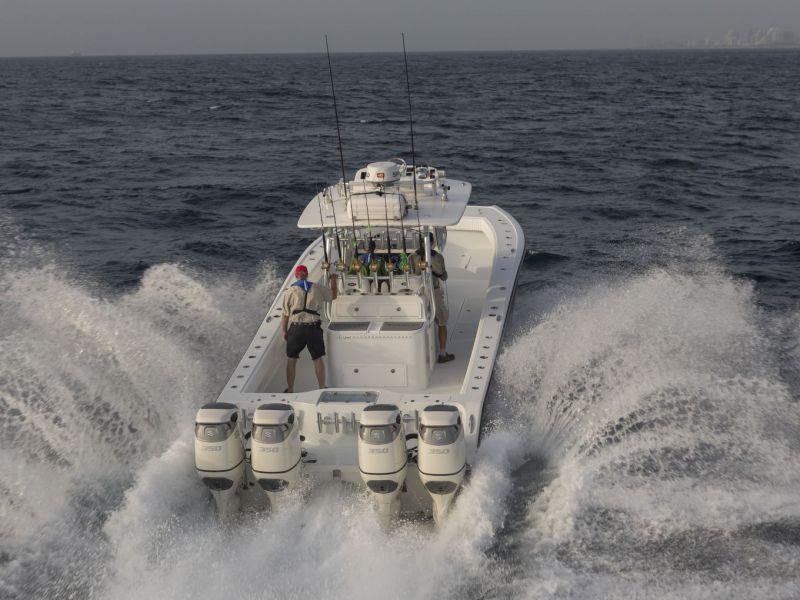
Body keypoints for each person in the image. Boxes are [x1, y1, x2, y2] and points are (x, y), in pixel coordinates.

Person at [281, 265, 338, 392]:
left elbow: (285, 314)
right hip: (313, 328)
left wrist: (284, 331)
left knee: (292, 359)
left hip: (296, 329)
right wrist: (333, 279)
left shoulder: (290, 291)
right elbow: (333, 295)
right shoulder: (317, 288)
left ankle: (290, 389)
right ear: (306, 275)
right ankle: (321, 387)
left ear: (296, 276)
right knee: (317, 359)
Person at [415, 233, 453, 363]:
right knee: (442, 321)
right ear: (432, 243)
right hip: (433, 292)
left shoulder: (412, 257)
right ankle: (442, 354)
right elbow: (444, 277)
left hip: (417, 294)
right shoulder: (437, 257)